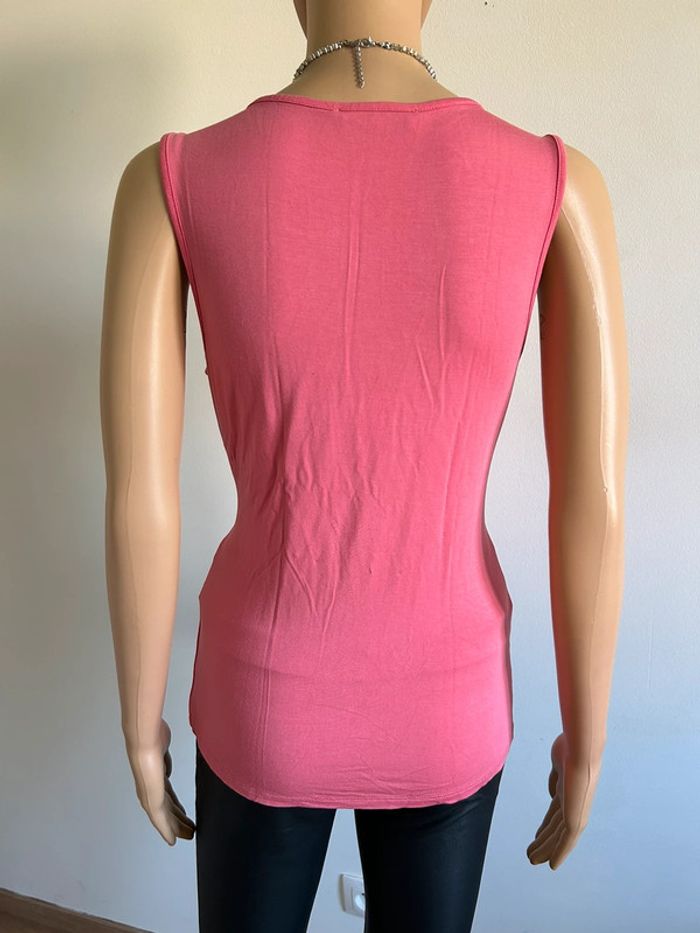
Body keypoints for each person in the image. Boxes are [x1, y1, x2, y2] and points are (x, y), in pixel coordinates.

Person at [100, 1, 628, 930]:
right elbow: (594, 500)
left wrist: (141, 730)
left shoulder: (172, 176)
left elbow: (138, 495)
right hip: (448, 700)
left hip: (263, 691)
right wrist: (584, 745)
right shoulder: (557, 182)